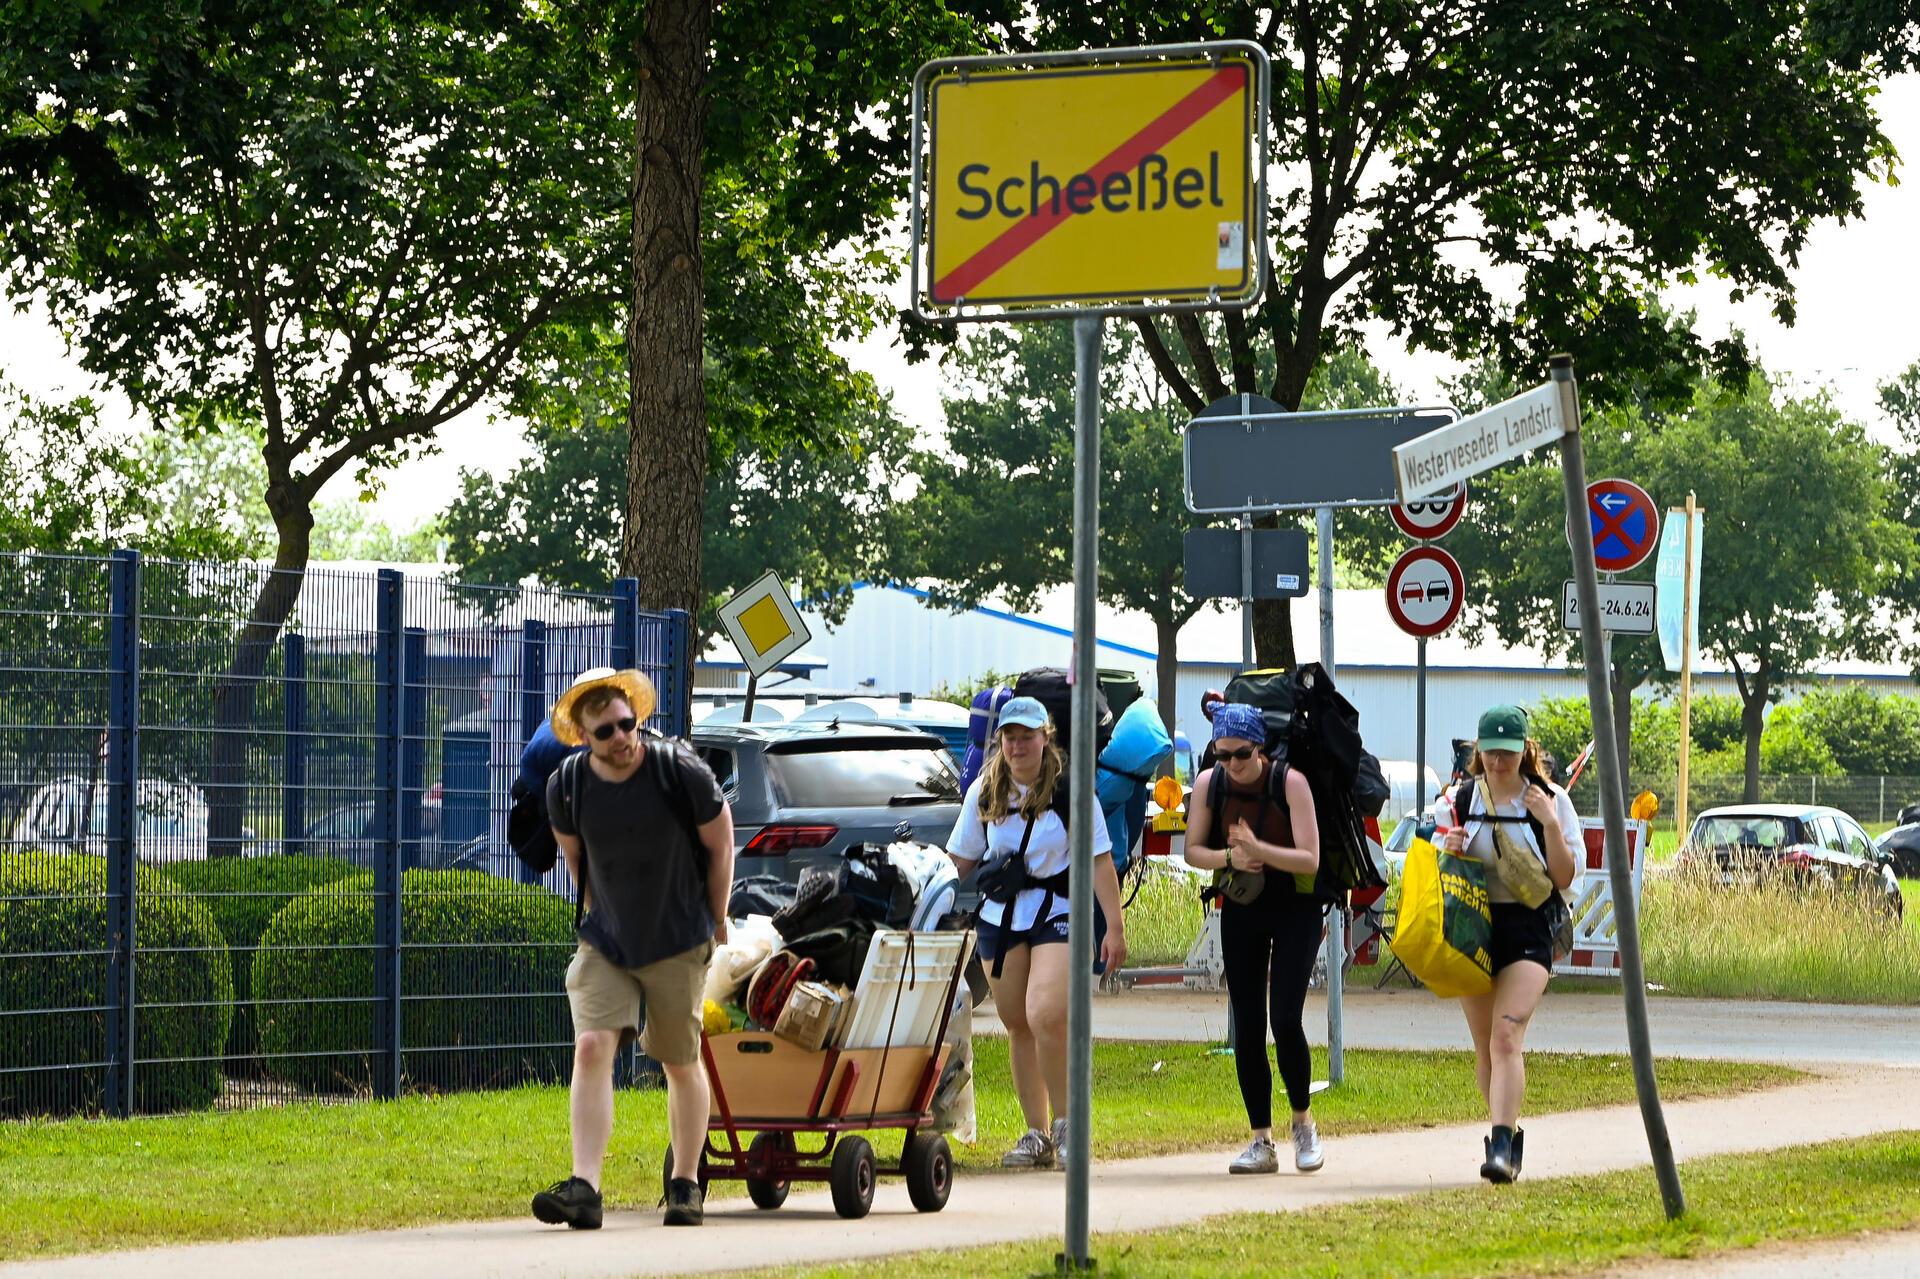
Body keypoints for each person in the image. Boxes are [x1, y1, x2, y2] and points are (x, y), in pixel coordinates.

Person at [531, 668, 734, 1229]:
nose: (621, 738)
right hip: (609, 939)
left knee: (678, 1060)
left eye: (627, 724)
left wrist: (716, 918)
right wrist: (607, 917)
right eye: (606, 732)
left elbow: (721, 843)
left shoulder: (679, 770)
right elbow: (580, 865)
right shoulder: (566, 786)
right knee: (592, 1046)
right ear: (582, 737)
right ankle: (585, 1189)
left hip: (677, 936)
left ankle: (686, 1184)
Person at [946, 696, 1127, 1172]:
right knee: (1017, 1023)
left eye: (1027, 736)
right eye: (1009, 736)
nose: (1018, 745)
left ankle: (1069, 1124)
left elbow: (1098, 859)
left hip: (1058, 909)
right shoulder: (985, 792)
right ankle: (1036, 1133)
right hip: (1001, 918)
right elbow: (961, 860)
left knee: (1045, 1014)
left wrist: (1114, 926)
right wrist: (924, 891)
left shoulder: (1072, 792)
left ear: (1046, 737)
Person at [1435, 704, 1580, 1184]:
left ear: (1525, 752)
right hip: (1474, 922)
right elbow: (1437, 870)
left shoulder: (1551, 799)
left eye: (1508, 754)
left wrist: (1552, 825)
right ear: (1477, 752)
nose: (1498, 763)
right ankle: (1506, 1135)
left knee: (1505, 1036)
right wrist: (1449, 848)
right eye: (1490, 754)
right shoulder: (1456, 799)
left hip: (1530, 925)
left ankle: (1499, 1145)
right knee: (1484, 1045)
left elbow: (1563, 876)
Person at [1182, 702, 1326, 1176]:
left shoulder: (1291, 783)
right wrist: (1230, 857)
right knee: (1247, 1022)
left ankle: (1303, 1123)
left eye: (1240, 754)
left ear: (1259, 747)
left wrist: (1260, 850)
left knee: (1285, 1018)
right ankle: (1260, 1139)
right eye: (1220, 755)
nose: (1231, 764)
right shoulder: (1210, 783)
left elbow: (1310, 858)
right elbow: (1193, 851)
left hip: (1296, 907)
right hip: (1241, 904)